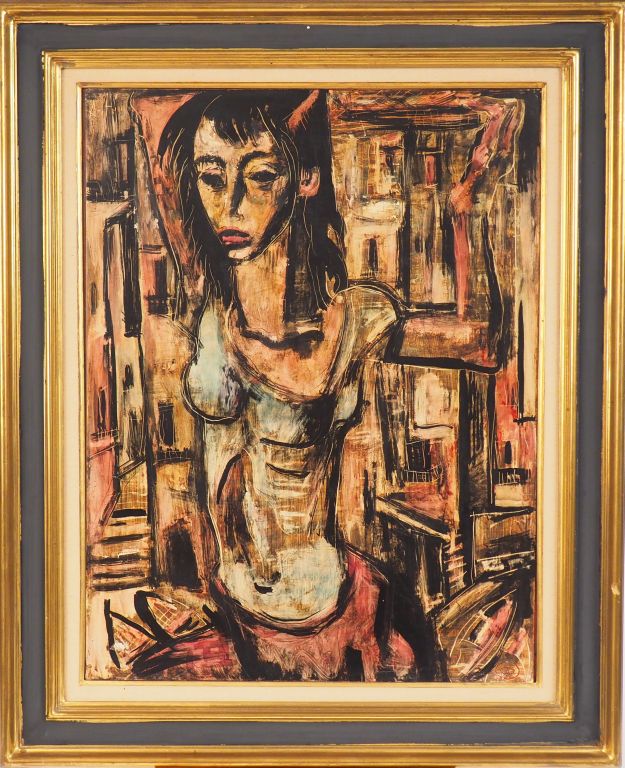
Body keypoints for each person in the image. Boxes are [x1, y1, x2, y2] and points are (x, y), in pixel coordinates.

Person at [118, 88, 522, 681]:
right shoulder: (210, 299)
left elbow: (483, 345)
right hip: (236, 607)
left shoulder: (353, 318)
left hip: (329, 611)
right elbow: (151, 113)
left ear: (305, 178)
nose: (229, 205)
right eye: (210, 177)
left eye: (260, 177)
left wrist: (466, 204)